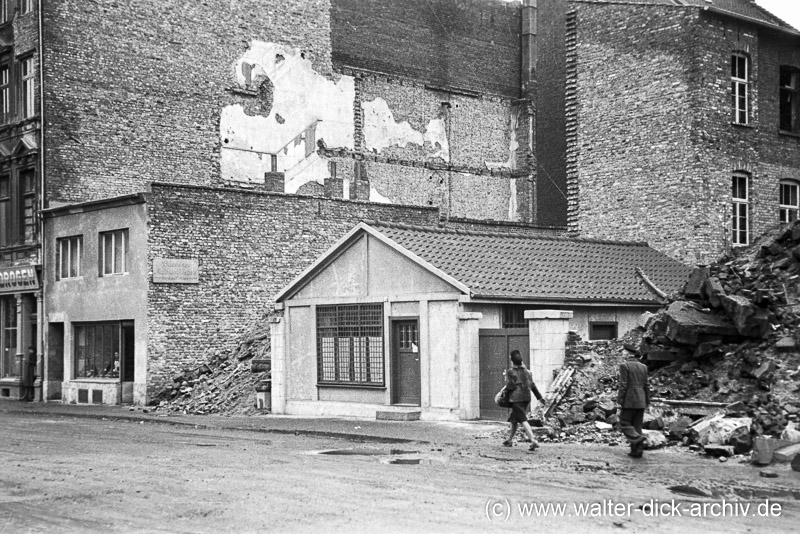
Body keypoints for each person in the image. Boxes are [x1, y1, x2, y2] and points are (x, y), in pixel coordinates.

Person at [503, 350, 544, 451]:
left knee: (522, 419)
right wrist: (539, 397)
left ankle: (533, 440)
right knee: (514, 420)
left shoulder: (510, 372)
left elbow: (511, 386)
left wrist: (505, 395)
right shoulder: (527, 372)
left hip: (516, 399)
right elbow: (532, 385)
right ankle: (509, 440)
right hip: (526, 398)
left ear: (512, 360)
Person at [617, 351, 650, 458]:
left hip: (629, 399)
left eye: (624, 353)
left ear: (628, 355)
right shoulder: (644, 367)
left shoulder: (624, 366)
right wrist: (647, 400)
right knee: (637, 425)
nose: (622, 354)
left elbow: (623, 385)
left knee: (624, 423)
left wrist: (620, 400)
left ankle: (637, 439)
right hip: (641, 399)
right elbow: (646, 385)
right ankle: (636, 451)